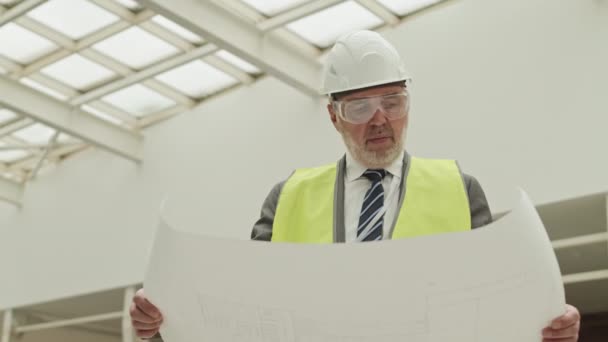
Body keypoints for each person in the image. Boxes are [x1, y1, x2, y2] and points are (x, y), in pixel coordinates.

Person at [130, 30, 581, 341]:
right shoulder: (287, 199)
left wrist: (547, 326)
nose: (380, 119)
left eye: (392, 101)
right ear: (333, 116)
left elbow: (497, 301)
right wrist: (166, 324)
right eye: (360, 108)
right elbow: (241, 312)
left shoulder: (460, 190)